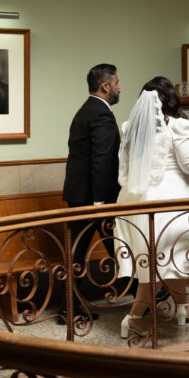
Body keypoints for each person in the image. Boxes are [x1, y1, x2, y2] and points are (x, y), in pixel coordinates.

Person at [116, 77, 189, 339]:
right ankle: (133, 318)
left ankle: (184, 306)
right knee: (159, 262)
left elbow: (128, 166)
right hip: (172, 200)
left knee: (163, 257)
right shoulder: (178, 125)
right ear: (171, 98)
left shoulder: (130, 127)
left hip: (137, 200)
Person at [62, 63, 122, 324]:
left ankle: (69, 308)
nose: (119, 87)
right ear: (105, 86)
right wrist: (100, 202)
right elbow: (101, 160)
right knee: (119, 247)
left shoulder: (85, 110)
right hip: (94, 199)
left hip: (79, 194)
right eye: (117, 83)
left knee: (81, 253)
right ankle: (148, 297)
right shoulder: (101, 115)